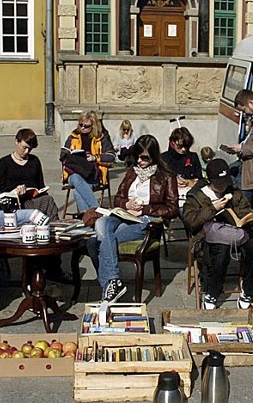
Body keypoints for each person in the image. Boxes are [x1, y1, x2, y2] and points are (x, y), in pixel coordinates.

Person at [84, 135, 178, 302]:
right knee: (101, 223)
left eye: (144, 157)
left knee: (94, 242)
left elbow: (172, 209)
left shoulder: (166, 176)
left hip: (146, 221)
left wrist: (144, 209)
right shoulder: (131, 172)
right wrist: (127, 204)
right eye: (137, 156)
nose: (140, 161)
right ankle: (113, 282)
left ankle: (109, 289)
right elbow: (118, 198)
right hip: (123, 215)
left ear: (154, 156)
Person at [182, 158, 253, 310]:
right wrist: (213, 208)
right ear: (209, 180)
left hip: (234, 232)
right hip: (207, 236)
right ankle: (213, 291)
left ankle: (248, 288)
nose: (223, 187)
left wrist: (241, 217)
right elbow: (190, 221)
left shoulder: (233, 191)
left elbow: (245, 209)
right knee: (221, 251)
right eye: (219, 184)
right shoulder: (196, 195)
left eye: (225, 183)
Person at [0, 128, 59, 219]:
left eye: (30, 149)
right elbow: (2, 189)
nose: (26, 151)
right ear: (17, 142)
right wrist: (16, 191)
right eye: (24, 147)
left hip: (33, 198)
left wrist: (40, 191)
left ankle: (54, 226)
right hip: (15, 201)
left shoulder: (34, 161)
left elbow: (40, 184)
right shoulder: (4, 162)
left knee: (48, 200)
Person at [62, 111, 116, 212]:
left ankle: (86, 219)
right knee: (76, 178)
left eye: (86, 126)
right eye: (80, 125)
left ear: (94, 126)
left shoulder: (101, 138)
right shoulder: (73, 137)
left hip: (93, 176)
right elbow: (63, 154)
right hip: (73, 173)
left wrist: (95, 158)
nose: (82, 128)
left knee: (78, 191)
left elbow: (112, 156)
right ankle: (96, 210)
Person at [225, 90, 253, 205]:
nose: (245, 114)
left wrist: (242, 149)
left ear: (251, 103)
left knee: (242, 206)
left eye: (244, 110)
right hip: (247, 168)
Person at [161, 126, 202, 209]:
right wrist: (172, 182)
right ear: (173, 143)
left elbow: (200, 179)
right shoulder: (163, 159)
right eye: (180, 146)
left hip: (188, 199)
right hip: (169, 199)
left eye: (186, 147)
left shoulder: (192, 157)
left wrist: (189, 182)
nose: (183, 149)